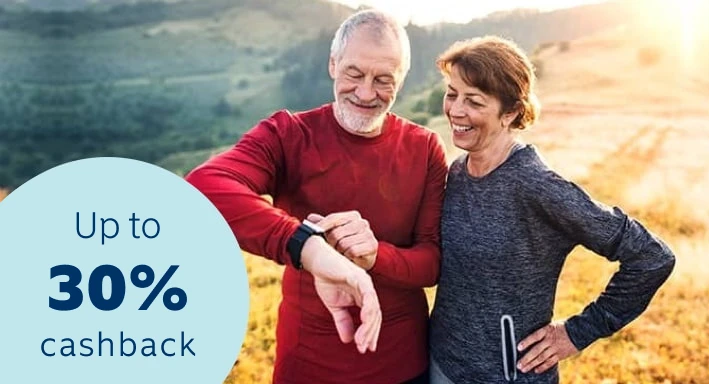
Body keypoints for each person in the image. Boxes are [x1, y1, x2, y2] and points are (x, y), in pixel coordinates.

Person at [185, 9, 447, 384]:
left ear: (401, 80)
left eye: (383, 80)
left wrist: (375, 256)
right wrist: (309, 247)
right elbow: (205, 186)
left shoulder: (424, 148)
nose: (366, 92)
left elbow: (432, 262)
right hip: (308, 367)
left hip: (404, 366)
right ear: (332, 64)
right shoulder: (288, 134)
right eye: (354, 74)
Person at [428, 36, 676, 384]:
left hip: (508, 377)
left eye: (474, 101)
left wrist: (577, 332)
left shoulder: (537, 186)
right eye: (452, 93)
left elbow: (651, 257)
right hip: (440, 364)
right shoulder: (457, 172)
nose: (455, 109)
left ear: (510, 112)